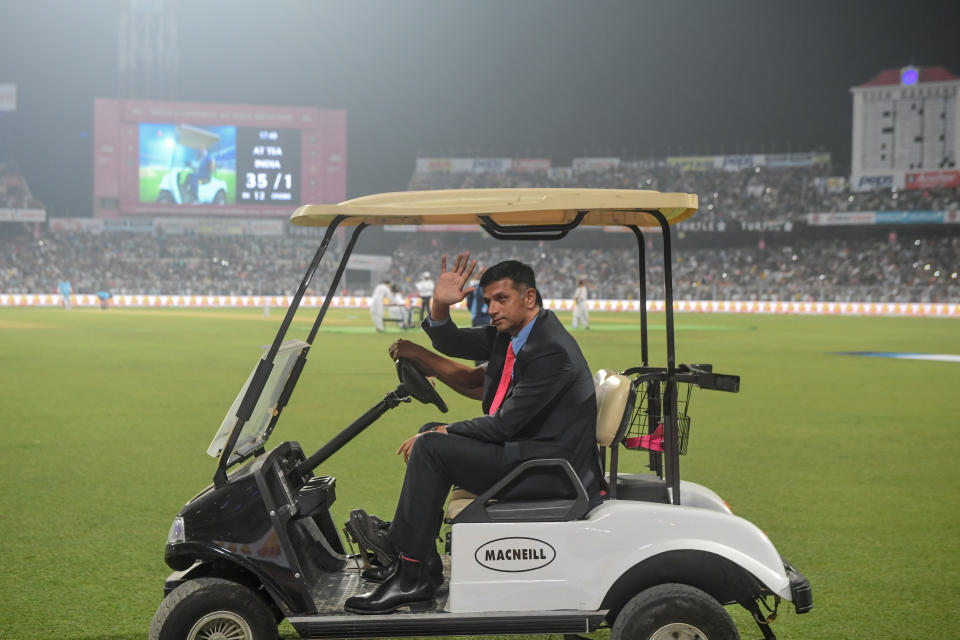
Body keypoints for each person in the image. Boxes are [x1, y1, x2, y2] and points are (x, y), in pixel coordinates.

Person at [345, 254, 603, 615]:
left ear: (529, 298)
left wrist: (443, 430)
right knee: (429, 437)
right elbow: (451, 342)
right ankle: (417, 562)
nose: (492, 309)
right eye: (488, 301)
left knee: (432, 446)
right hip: (528, 452)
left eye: (502, 299)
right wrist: (438, 304)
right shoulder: (514, 335)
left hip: (546, 467)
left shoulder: (550, 351)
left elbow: (505, 425)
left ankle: (412, 578)